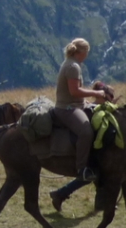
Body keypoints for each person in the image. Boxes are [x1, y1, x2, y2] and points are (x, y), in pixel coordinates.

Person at [51, 38, 110, 188]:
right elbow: (74, 91)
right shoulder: (73, 67)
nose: (87, 55)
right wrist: (96, 93)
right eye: (87, 52)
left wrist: (87, 103)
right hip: (67, 108)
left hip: (74, 105)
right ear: (82, 52)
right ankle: (81, 168)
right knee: (86, 131)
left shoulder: (72, 63)